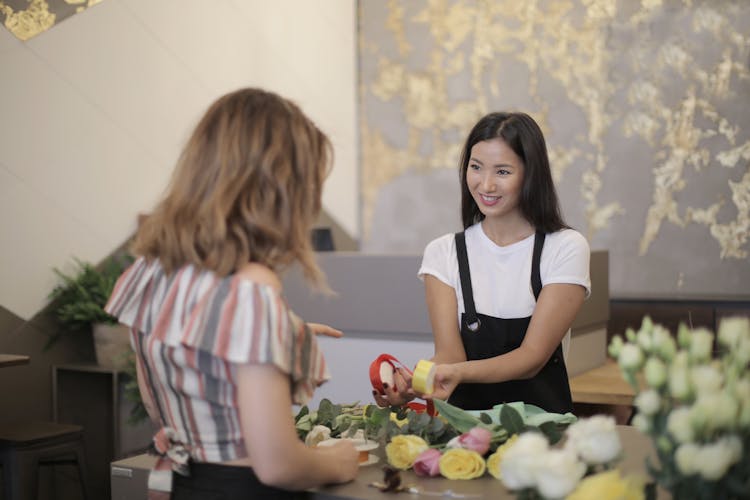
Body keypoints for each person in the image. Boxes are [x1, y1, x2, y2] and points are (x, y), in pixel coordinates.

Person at [105, 88, 359, 500]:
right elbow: (279, 466)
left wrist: (277, 337)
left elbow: (161, 403)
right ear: (279, 187)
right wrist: (338, 461)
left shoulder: (148, 272)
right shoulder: (253, 291)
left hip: (183, 485)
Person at [375, 111, 590, 413]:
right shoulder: (444, 252)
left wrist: (457, 373)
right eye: (476, 168)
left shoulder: (564, 248)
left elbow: (532, 357)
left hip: (542, 442)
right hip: (466, 438)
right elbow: (450, 355)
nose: (486, 185)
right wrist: (413, 385)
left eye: (502, 172)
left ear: (531, 174)